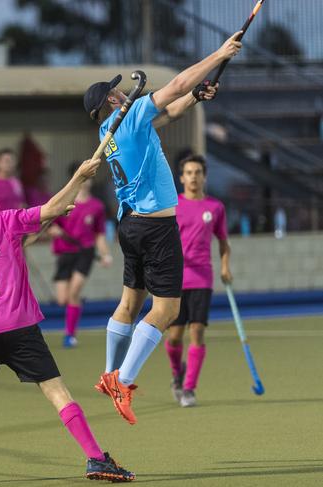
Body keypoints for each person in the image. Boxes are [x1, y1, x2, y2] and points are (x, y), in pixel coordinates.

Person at [0, 159, 135, 484]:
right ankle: (97, 459)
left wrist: (50, 217)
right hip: (20, 325)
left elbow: (12, 246)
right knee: (56, 392)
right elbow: (48, 208)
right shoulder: (4, 221)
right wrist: (78, 178)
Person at [84, 32, 242, 425]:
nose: (123, 95)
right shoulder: (132, 114)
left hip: (129, 226)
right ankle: (125, 380)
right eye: (116, 94)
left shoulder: (107, 133)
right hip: (156, 229)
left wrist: (196, 98)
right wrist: (219, 54)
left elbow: (171, 110)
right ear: (112, 101)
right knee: (167, 310)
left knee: (129, 303)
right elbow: (174, 86)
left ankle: (109, 373)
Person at [165, 155, 231, 408]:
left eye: (197, 172)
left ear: (204, 176)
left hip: (202, 278)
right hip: (175, 279)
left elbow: (224, 243)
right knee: (174, 337)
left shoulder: (215, 207)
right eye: (189, 172)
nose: (193, 176)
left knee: (197, 331)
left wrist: (225, 267)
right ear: (181, 178)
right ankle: (176, 374)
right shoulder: (172, 205)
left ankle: (189, 389)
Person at [51, 161, 113, 348]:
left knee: (74, 291)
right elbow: (50, 222)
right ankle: (76, 304)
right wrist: (52, 230)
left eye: (88, 179)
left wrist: (105, 254)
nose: (86, 182)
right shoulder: (64, 202)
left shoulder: (97, 206)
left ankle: (70, 335)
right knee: (63, 298)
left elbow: (99, 234)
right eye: (82, 178)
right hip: (65, 253)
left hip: (85, 252)